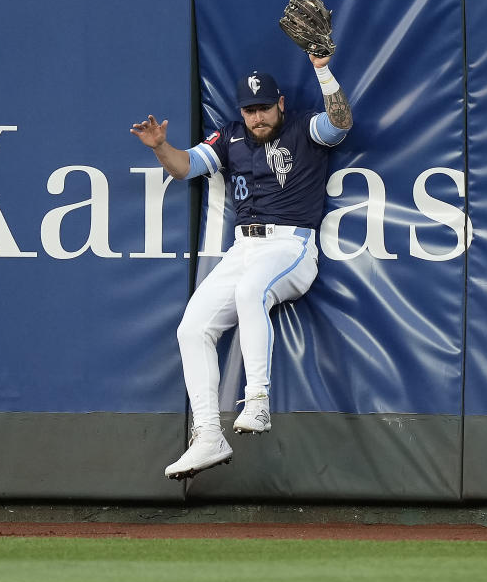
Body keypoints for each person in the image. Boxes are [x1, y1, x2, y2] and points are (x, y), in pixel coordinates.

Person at [131, 53, 353, 480]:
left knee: (251, 291)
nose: (256, 117)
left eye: (263, 107)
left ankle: (258, 402)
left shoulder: (304, 127)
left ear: (280, 104)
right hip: (243, 248)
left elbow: (340, 123)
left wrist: (322, 70)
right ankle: (209, 436)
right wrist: (161, 147)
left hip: (291, 245)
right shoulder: (230, 136)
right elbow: (184, 168)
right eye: (249, 110)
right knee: (191, 328)